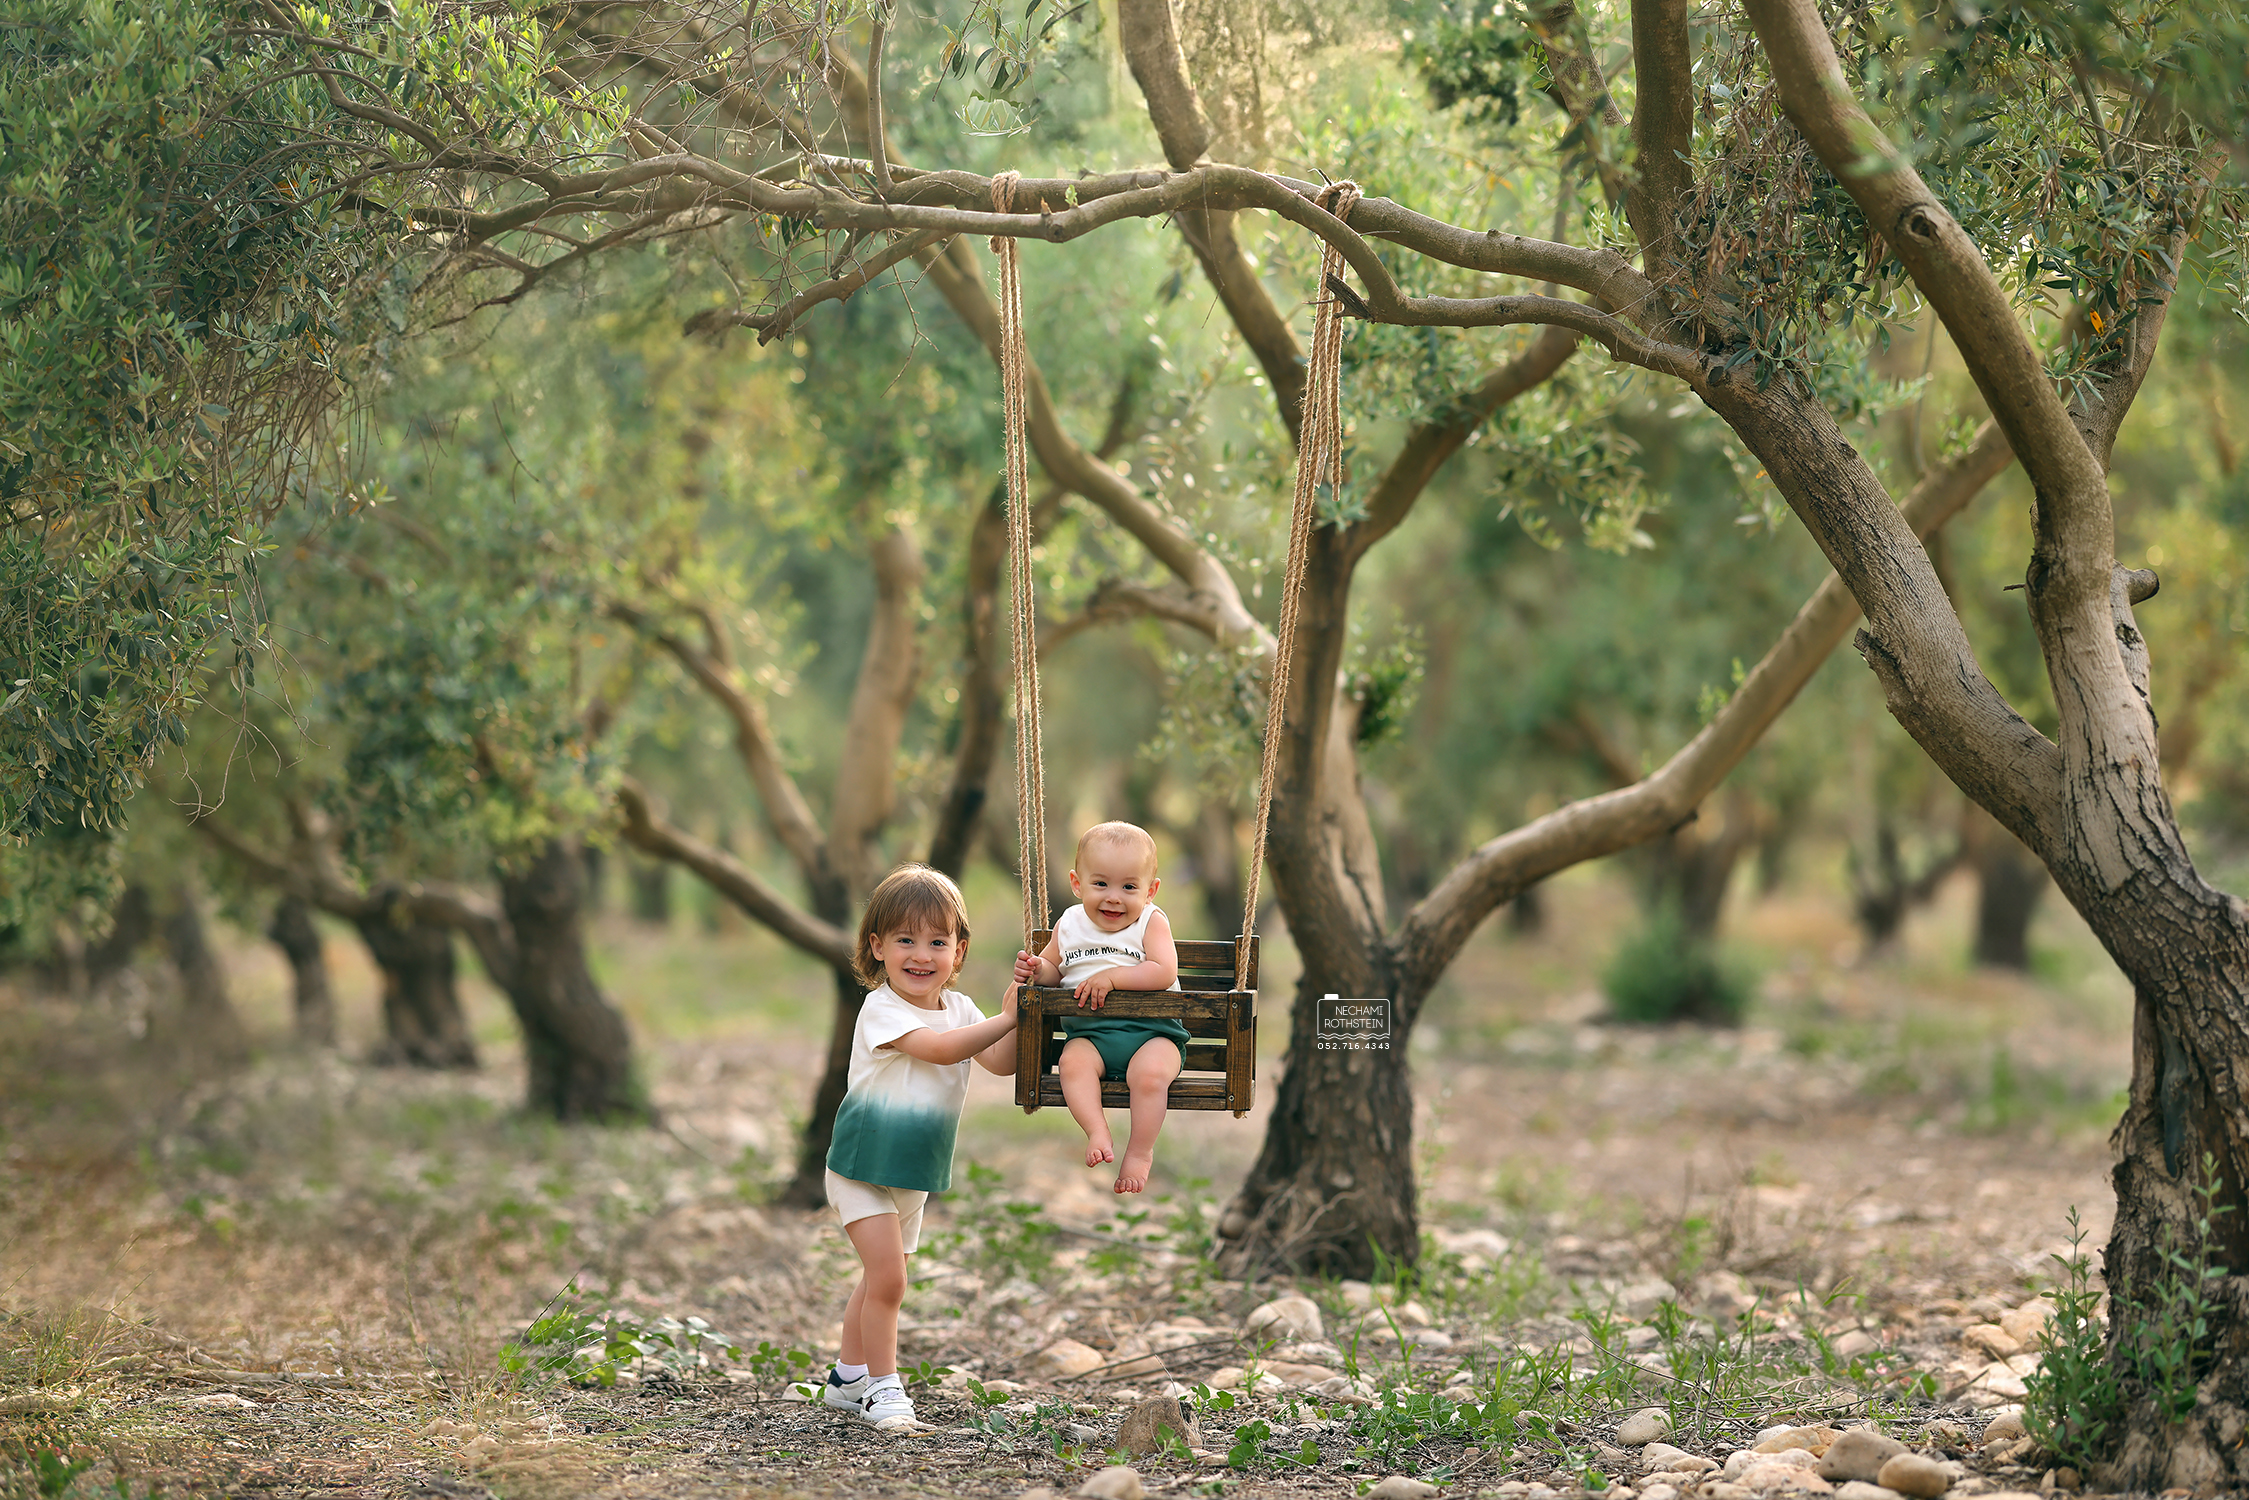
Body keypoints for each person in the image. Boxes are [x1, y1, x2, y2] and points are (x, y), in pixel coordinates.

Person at [820, 864, 1018, 1431]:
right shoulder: (882, 1008)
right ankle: (883, 1389)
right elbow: (941, 1051)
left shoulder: (961, 1009)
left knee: (876, 1278)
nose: (921, 954)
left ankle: (847, 1378)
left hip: (913, 1173)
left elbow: (1001, 1063)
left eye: (937, 941)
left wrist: (1028, 1010)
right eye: (905, 940)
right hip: (861, 1167)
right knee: (889, 1281)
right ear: (877, 946)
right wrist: (1005, 1017)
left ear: (959, 951)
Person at [1011, 821, 1186, 1195]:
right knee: (1073, 1062)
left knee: (1151, 1076)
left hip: (1153, 1036)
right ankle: (1097, 1130)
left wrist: (1113, 977)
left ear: (1150, 891)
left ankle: (1139, 1152)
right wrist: (1037, 969)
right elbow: (1054, 970)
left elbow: (1163, 970)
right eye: (1100, 884)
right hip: (1090, 1037)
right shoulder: (1069, 924)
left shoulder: (1150, 922)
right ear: (1077, 884)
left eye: (1129, 887)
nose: (1114, 898)